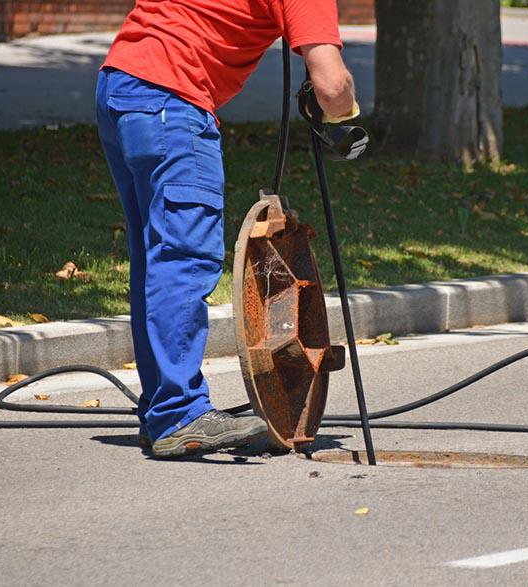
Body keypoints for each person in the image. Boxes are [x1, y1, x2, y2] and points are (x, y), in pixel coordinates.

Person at [95, 0, 361, 458]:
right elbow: (331, 84)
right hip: (171, 99)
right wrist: (345, 114)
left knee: (157, 258)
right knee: (184, 258)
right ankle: (178, 414)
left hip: (121, 85)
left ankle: (160, 410)